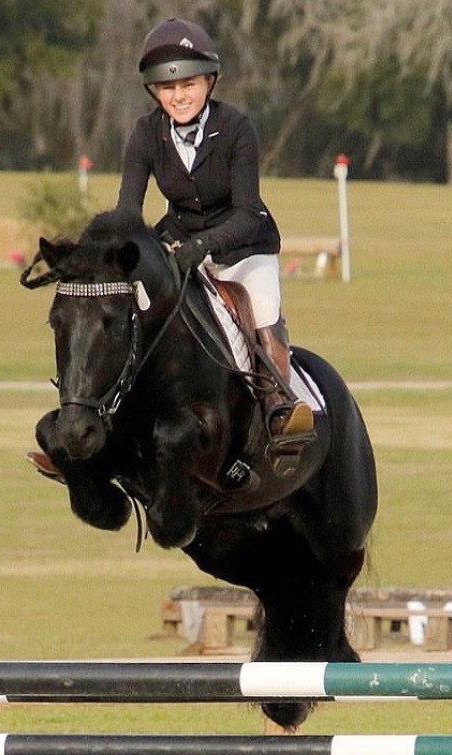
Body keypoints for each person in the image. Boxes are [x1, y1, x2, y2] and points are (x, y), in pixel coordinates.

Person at [115, 17, 313, 447]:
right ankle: (109, 414)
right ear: (154, 91)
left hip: (244, 249)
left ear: (209, 82)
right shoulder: (145, 134)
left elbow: (248, 212)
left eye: (188, 84)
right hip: (178, 248)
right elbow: (128, 211)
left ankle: (281, 409)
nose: (178, 95)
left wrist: (201, 247)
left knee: (263, 310)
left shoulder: (237, 128)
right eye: (168, 87)